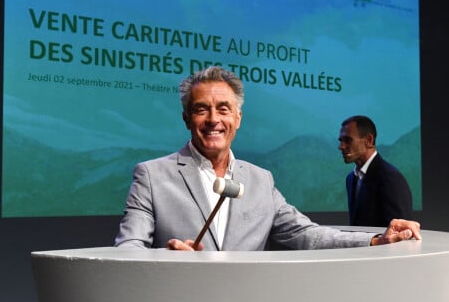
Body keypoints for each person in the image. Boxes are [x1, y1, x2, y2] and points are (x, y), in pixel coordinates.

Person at [114, 66, 420, 251]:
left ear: (238, 118)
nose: (212, 119)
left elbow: (306, 234)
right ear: (186, 118)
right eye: (200, 109)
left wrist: (377, 240)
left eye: (223, 109)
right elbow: (127, 250)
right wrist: (164, 260)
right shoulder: (152, 176)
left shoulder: (260, 180)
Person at [338, 115, 413, 227]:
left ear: (369, 140)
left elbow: (400, 232)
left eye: (348, 140)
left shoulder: (390, 178)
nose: (341, 146)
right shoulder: (350, 179)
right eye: (341, 141)